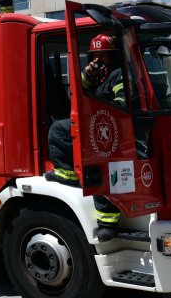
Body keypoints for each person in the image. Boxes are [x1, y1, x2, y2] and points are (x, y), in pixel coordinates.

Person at [45, 34, 124, 242]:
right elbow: (77, 92)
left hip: (110, 128)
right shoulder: (100, 73)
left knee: (100, 170)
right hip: (94, 123)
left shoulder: (118, 74)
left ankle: (108, 224)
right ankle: (67, 172)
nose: (97, 59)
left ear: (112, 55)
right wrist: (88, 73)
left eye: (102, 55)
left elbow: (121, 105)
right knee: (58, 129)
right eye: (95, 55)